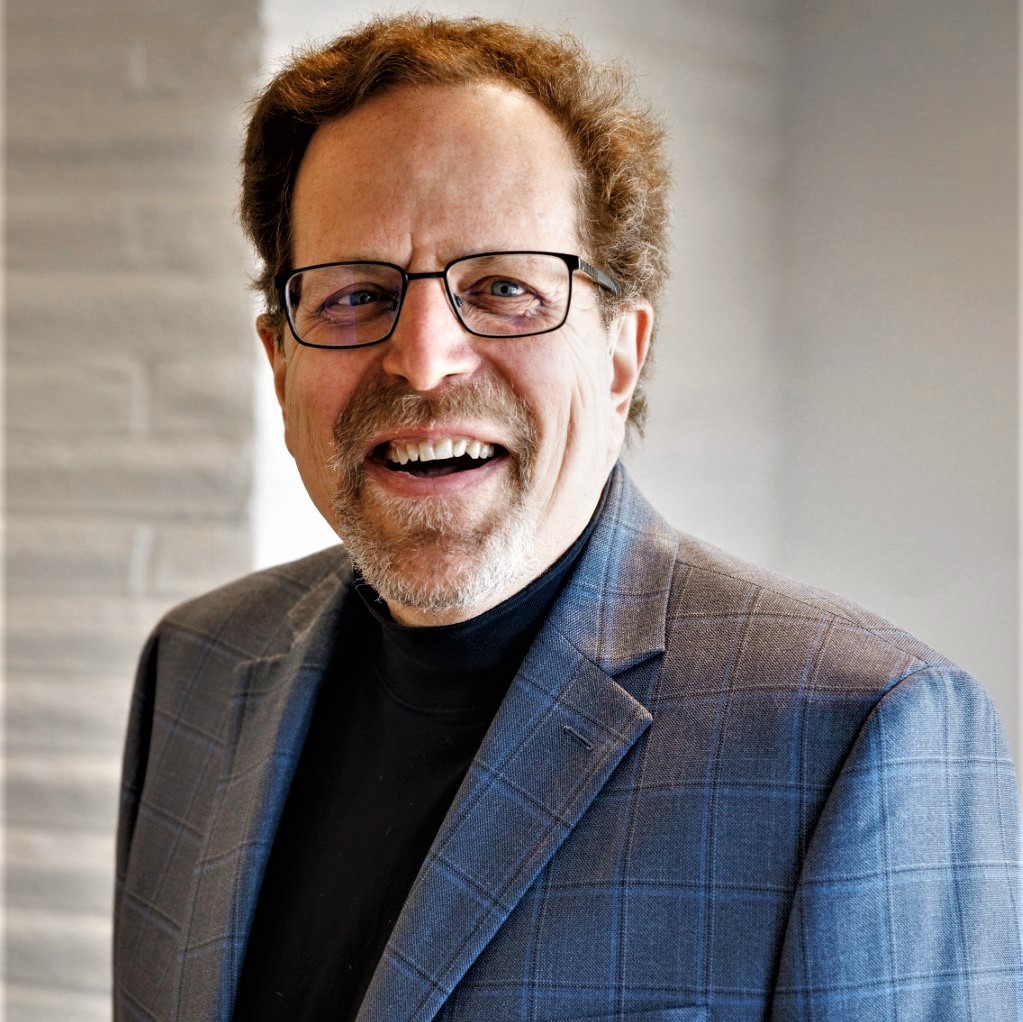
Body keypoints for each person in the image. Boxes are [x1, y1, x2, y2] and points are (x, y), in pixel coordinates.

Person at [113, 13, 1023, 1022]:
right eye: (355, 295)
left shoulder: (855, 730)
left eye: (504, 287)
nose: (424, 359)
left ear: (621, 353)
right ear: (279, 361)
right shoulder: (194, 669)